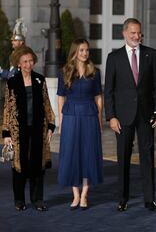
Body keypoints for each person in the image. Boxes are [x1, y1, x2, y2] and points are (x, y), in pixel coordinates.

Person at [104, 18, 156, 212]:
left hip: (146, 115)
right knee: (123, 158)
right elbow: (109, 91)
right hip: (122, 117)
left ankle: (149, 199)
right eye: (133, 33)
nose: (137, 36)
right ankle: (122, 199)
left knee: (148, 156)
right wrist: (111, 116)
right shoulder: (114, 58)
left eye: (139, 33)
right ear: (124, 33)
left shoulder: (151, 54)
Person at [2, 46, 55, 212]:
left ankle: (38, 199)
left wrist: (51, 126)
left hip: (38, 129)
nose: (28, 64)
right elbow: (7, 109)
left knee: (38, 165)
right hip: (19, 131)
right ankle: (19, 199)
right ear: (18, 63)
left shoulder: (40, 79)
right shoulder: (12, 82)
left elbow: (47, 104)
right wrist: (6, 133)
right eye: (25, 61)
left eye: (31, 60)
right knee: (19, 166)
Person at [57, 39, 103, 210]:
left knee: (88, 154)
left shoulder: (95, 72)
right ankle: (75, 195)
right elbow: (61, 97)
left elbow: (99, 98)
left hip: (90, 115)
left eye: (87, 50)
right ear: (75, 51)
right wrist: (61, 122)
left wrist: (99, 120)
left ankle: (84, 195)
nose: (85, 53)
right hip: (70, 116)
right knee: (71, 154)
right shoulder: (64, 72)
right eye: (82, 50)